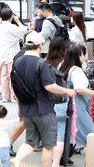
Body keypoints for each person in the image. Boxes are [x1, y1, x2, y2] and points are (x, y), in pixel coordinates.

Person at [11, 32, 75, 167]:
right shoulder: (41, 64)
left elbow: (15, 87)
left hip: (27, 109)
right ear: (40, 46)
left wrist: (20, 106)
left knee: (31, 142)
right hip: (44, 110)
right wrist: (66, 90)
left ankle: (16, 161)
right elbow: (49, 86)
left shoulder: (17, 62)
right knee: (48, 145)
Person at [60, 46, 94, 151]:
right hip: (78, 107)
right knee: (90, 133)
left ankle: (65, 155)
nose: (84, 57)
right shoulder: (77, 70)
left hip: (66, 105)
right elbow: (79, 89)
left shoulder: (65, 68)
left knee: (70, 133)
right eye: (83, 54)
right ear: (79, 55)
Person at [44, 37, 68, 167]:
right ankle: (56, 163)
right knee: (60, 134)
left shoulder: (45, 63)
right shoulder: (65, 63)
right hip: (61, 101)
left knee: (50, 135)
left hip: (47, 102)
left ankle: (50, 162)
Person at [0, 8, 27, 102]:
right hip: (11, 54)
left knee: (4, 76)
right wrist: (17, 21)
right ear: (11, 16)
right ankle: (14, 96)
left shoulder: (0, 26)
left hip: (3, 53)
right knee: (12, 76)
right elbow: (24, 30)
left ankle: (5, 97)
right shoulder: (11, 27)